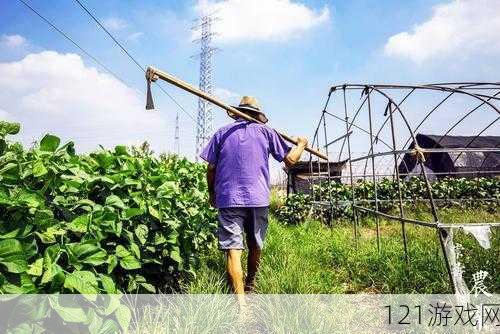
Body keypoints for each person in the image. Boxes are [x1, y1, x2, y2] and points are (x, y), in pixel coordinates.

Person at [200, 96, 308, 303]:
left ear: (237, 112)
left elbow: (211, 168)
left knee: (233, 249)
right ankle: (250, 284)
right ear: (257, 114)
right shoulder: (266, 132)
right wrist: (302, 143)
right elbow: (291, 160)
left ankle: (241, 305)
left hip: (228, 198)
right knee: (255, 244)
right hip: (257, 198)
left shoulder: (222, 133)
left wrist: (212, 193)